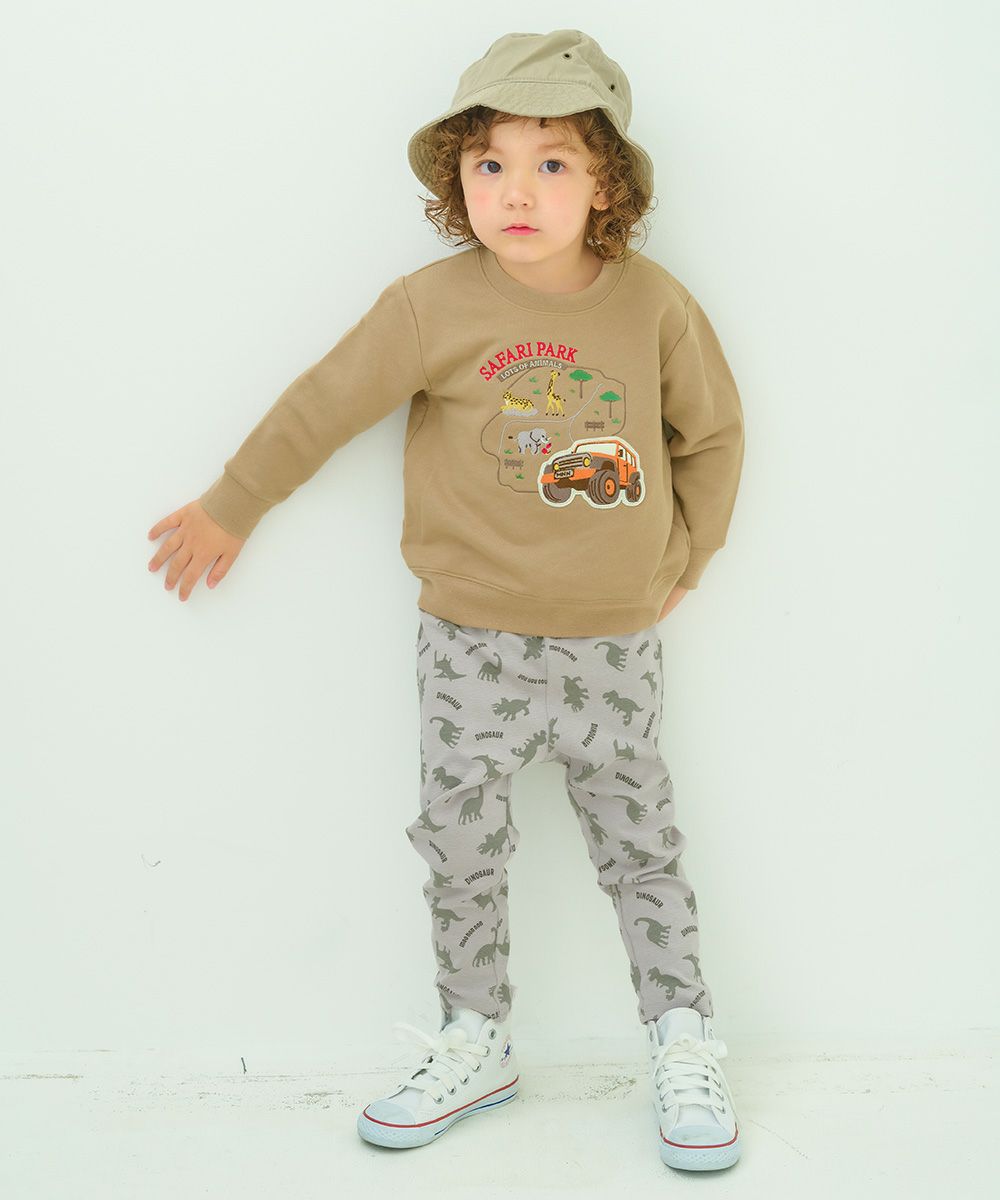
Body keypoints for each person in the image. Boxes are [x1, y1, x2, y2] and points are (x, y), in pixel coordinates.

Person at [146, 28, 745, 1172]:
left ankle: (683, 1037)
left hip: (612, 640)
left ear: (606, 184)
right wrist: (234, 502)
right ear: (456, 179)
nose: (516, 191)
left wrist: (688, 556)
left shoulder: (652, 306)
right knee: (461, 845)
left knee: (641, 849)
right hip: (470, 639)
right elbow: (323, 403)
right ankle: (477, 1038)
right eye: (490, 164)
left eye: (552, 163)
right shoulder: (430, 306)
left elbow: (710, 435)